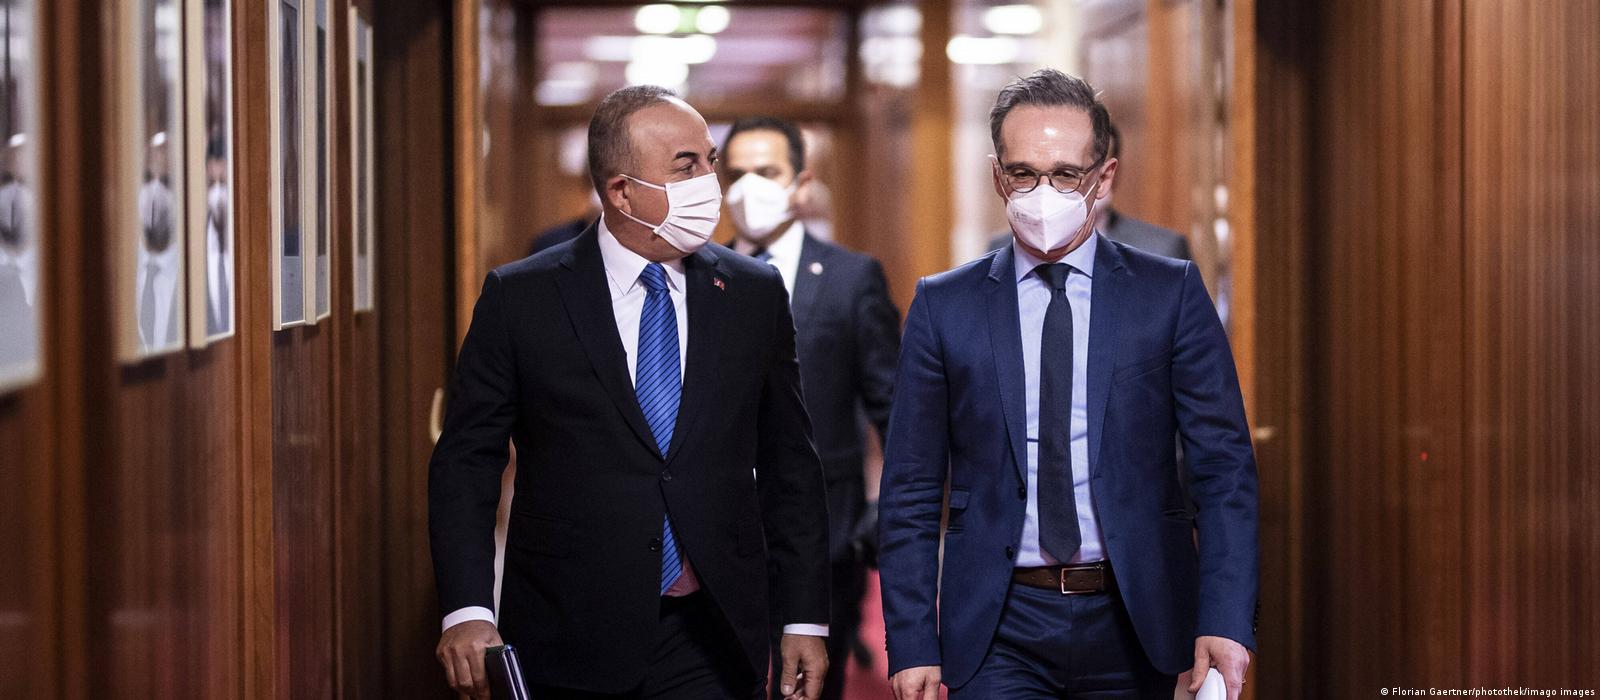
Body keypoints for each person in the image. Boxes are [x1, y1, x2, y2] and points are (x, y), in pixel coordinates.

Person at [429, 85, 831, 700]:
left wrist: (803, 617)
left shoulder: (753, 293)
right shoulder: (523, 297)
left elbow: (790, 463)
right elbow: (467, 461)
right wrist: (467, 609)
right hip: (569, 626)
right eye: (685, 167)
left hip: (713, 630)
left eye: (709, 161)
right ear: (621, 191)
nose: (710, 183)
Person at [878, 69, 1258, 699]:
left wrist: (1225, 618)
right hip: (999, 624)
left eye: (1064, 175)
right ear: (998, 177)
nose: (1042, 193)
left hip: (1137, 616)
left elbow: (1224, 469)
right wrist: (913, 639)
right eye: (1023, 173)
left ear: (1102, 178)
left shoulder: (1168, 294)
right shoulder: (944, 305)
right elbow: (911, 487)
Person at [718, 116, 900, 700]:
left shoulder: (852, 277)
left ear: (801, 181)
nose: (750, 188)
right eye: (737, 175)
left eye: (767, 172)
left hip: (828, 532)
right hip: (722, 531)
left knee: (816, 686)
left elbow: (891, 406)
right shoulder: (700, 275)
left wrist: (887, 510)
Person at [986, 121, 1190, 261]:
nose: (1046, 189)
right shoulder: (1000, 249)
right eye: (1024, 173)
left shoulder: (1161, 249)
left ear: (1107, 176)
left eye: (1067, 173)